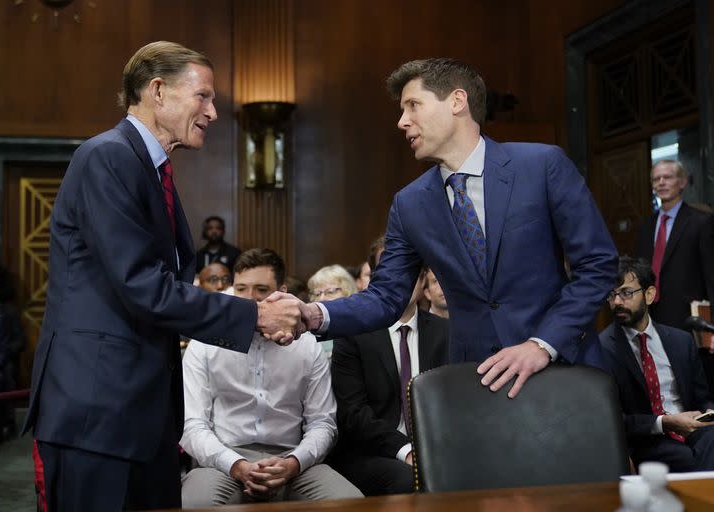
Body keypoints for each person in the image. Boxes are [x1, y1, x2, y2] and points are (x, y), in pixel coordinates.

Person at [23, 41, 303, 512]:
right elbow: (142, 285)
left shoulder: (150, 170)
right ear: (158, 90)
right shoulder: (108, 157)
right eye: (204, 97)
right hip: (99, 415)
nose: (214, 112)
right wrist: (253, 314)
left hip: (139, 416)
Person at [292, 58, 617, 398]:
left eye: (413, 105)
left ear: (457, 102)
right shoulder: (410, 203)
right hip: (477, 382)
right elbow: (386, 296)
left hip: (563, 370)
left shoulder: (541, 165)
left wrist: (543, 343)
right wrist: (315, 314)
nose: (403, 122)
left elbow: (598, 264)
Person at [180, 249, 361, 506]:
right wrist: (236, 465)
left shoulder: (308, 346)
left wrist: (294, 463)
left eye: (262, 290)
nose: (250, 301)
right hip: (223, 462)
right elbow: (192, 425)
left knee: (353, 502)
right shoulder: (205, 343)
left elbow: (323, 423)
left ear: (283, 291)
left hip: (292, 460)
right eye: (241, 289)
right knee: (193, 504)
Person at [329, 267, 448, 495]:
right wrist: (407, 451)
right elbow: (353, 414)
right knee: (408, 479)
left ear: (423, 281)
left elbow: (454, 403)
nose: (399, 280)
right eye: (390, 271)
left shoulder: (446, 331)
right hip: (371, 451)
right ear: (375, 280)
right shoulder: (353, 333)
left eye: (408, 271)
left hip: (436, 447)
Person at [599, 256, 714, 471]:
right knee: (692, 460)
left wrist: (708, 415)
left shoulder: (681, 341)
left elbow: (703, 399)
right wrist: (666, 422)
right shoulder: (602, 349)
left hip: (693, 432)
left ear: (650, 295)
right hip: (646, 441)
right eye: (612, 295)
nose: (617, 302)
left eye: (626, 293)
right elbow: (609, 419)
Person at [636, 160, 714, 330]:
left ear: (682, 182)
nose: (661, 182)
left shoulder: (701, 222)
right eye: (656, 179)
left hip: (688, 319)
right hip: (650, 317)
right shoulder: (645, 227)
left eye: (668, 177)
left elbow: (711, 275)